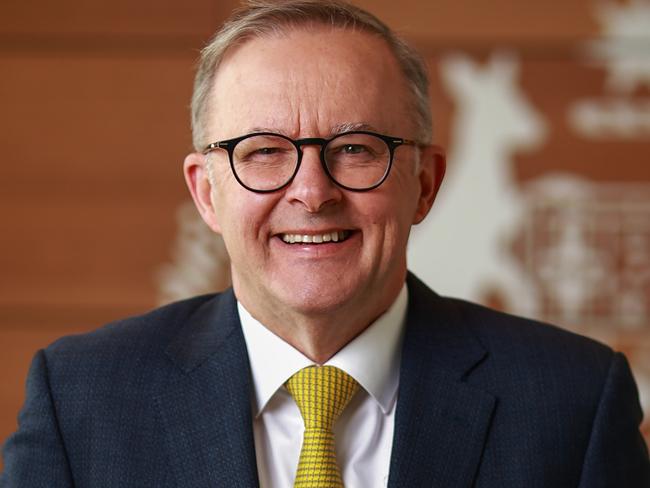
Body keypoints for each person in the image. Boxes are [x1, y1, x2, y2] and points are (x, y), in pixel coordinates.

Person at [2, 1, 649, 486]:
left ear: (425, 184)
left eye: (355, 149)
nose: (312, 191)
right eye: (262, 152)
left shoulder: (573, 404)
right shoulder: (82, 400)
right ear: (206, 193)